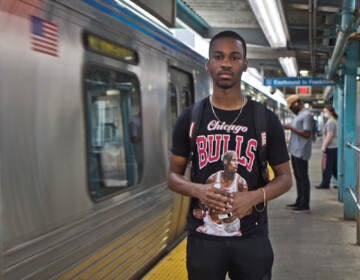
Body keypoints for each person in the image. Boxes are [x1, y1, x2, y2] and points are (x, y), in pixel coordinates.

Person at [167, 30, 292, 280]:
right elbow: (172, 176)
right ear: (208, 64)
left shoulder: (264, 119)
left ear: (244, 64)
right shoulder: (190, 118)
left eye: (234, 57)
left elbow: (286, 178)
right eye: (218, 56)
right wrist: (198, 191)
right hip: (204, 239)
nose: (226, 63)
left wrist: (255, 196)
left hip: (251, 239)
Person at [283, 95, 313, 212]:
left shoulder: (307, 115)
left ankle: (305, 203)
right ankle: (299, 200)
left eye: (291, 106)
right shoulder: (299, 116)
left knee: (303, 177)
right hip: (295, 150)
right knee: (298, 177)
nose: (291, 109)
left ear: (296, 103)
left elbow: (307, 134)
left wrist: (290, 128)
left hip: (301, 150)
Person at [315, 104, 338, 189]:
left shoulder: (331, 121)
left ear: (330, 112)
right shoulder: (334, 120)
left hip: (330, 148)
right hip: (333, 147)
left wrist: (324, 146)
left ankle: (325, 184)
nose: (324, 113)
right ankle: (339, 182)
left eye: (325, 111)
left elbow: (330, 135)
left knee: (326, 166)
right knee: (333, 166)